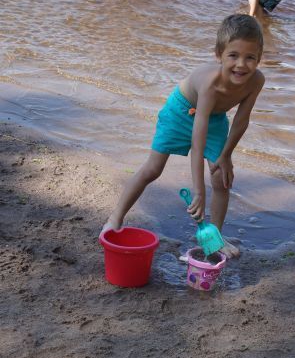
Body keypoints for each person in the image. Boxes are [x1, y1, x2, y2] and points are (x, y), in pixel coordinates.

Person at [102, 14, 265, 258]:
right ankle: (115, 218)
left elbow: (242, 120)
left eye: (250, 57)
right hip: (180, 111)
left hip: (214, 119)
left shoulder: (256, 81)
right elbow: (197, 142)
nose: (241, 64)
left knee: (221, 178)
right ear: (219, 54)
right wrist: (198, 190)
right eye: (233, 55)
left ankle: (215, 238)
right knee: (153, 169)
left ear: (259, 58)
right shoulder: (210, 83)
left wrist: (226, 155)